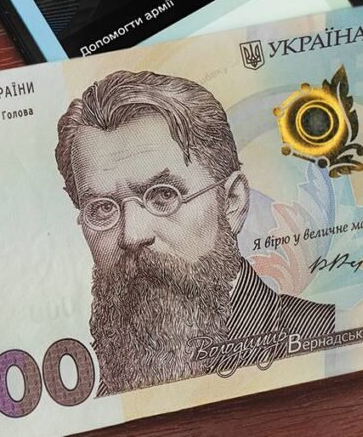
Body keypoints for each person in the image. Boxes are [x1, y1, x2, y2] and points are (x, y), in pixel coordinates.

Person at [55, 70, 336, 395]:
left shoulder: (325, 337)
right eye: (103, 208)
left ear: (232, 203)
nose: (132, 234)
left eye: (164, 195)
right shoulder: (105, 385)